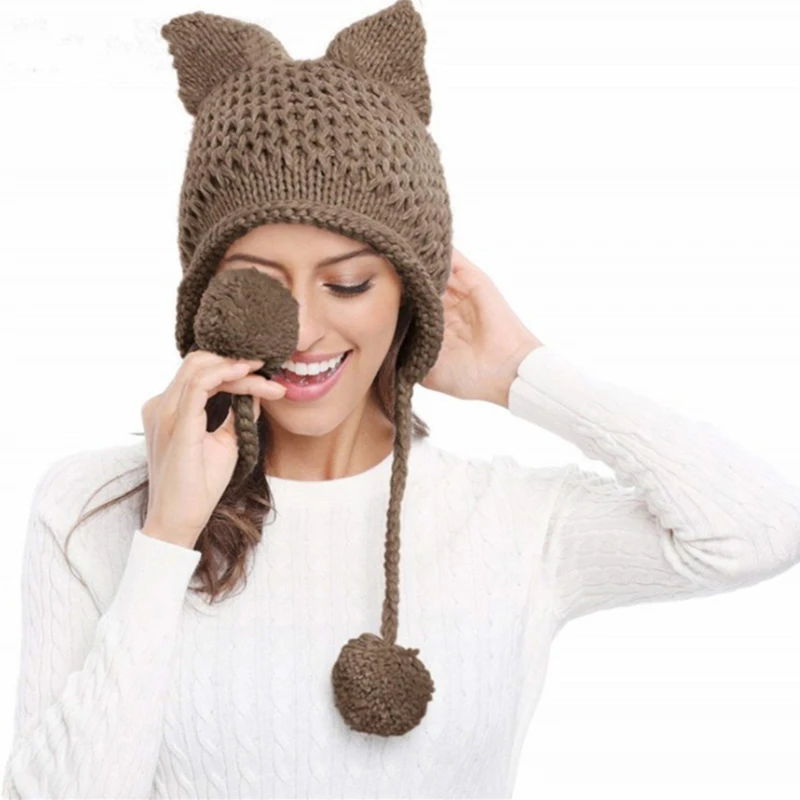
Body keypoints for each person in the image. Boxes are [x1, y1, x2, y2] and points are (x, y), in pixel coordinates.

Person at [3, 2, 800, 798]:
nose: (303, 331)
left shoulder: (512, 521)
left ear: (409, 293)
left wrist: (522, 372)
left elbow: (760, 530)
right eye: (257, 284)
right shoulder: (94, 510)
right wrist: (166, 539)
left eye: (349, 283)